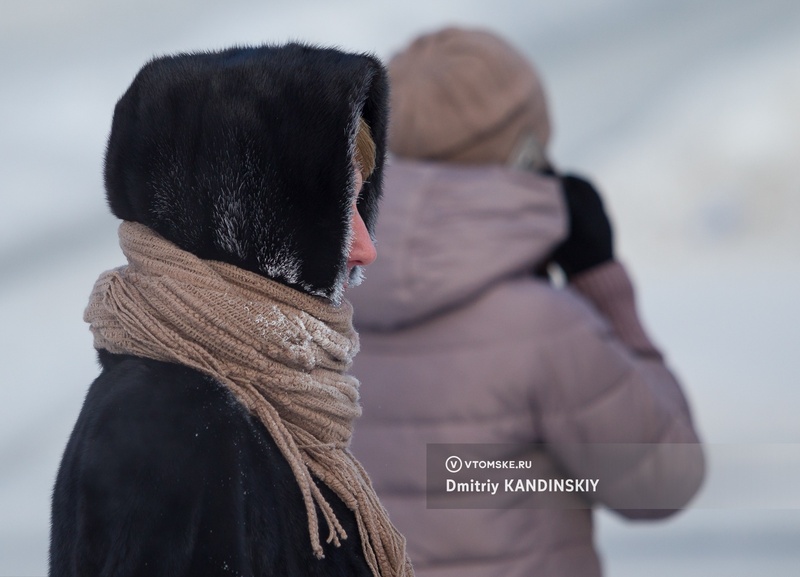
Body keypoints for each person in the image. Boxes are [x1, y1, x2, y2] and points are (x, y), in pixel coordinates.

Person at [347, 27, 705, 577]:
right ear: (527, 151)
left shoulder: (320, 303)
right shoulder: (541, 327)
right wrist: (604, 286)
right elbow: (664, 481)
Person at [49, 43, 414, 577]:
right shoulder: (174, 425)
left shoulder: (248, 402)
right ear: (253, 219)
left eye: (361, 204)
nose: (365, 248)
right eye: (339, 210)